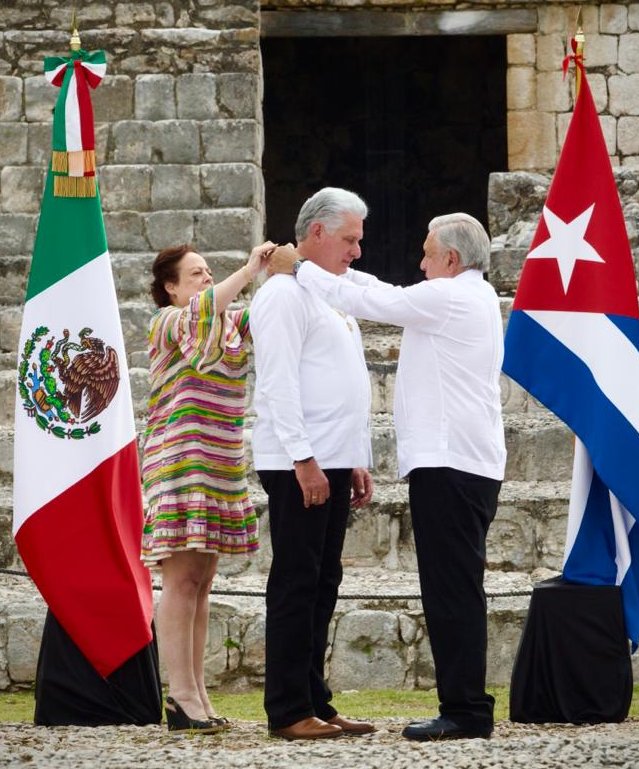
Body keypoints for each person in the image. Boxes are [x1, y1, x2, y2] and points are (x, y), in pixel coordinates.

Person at [268, 212, 506, 740]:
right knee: (454, 586)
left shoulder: (451, 297)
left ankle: (465, 711)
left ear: (451, 259)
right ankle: (464, 705)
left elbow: (377, 302)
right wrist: (324, 270)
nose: (419, 264)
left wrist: (300, 267)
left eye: (426, 254)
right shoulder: (470, 295)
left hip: (452, 465)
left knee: (451, 589)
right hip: (463, 464)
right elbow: (381, 290)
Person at [250, 187, 376, 740]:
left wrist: (355, 458)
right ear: (317, 233)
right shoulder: (282, 294)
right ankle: (287, 708)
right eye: (349, 239)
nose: (355, 251)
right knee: (297, 581)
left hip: (332, 459)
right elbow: (277, 382)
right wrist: (303, 458)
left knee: (325, 580)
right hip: (297, 461)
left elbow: (344, 382)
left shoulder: (331, 294)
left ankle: (316, 700)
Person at [142, 240, 275, 733]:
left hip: (219, 466)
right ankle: (179, 696)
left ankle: (196, 692)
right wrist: (248, 269)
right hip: (179, 464)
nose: (204, 278)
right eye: (193, 273)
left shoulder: (229, 326)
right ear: (170, 288)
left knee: (201, 584)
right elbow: (206, 306)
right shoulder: (167, 323)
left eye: (206, 271)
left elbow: (265, 313)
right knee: (180, 582)